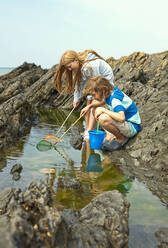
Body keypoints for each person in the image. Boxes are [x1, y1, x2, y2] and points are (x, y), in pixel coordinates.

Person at [53, 49, 114, 139]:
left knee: (93, 102)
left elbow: (97, 83)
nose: (69, 69)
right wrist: (76, 99)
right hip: (95, 81)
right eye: (67, 68)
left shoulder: (90, 66)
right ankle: (88, 129)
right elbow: (79, 84)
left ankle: (90, 130)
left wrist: (95, 98)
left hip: (105, 82)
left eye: (70, 66)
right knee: (88, 100)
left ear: (76, 61)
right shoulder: (81, 67)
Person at [80, 75, 141, 151]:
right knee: (95, 109)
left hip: (132, 127)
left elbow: (121, 118)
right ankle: (110, 134)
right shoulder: (109, 92)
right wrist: (89, 106)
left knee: (103, 119)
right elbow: (104, 101)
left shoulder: (114, 99)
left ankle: (121, 138)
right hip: (128, 124)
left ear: (102, 90)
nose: (93, 97)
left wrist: (104, 110)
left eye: (94, 94)